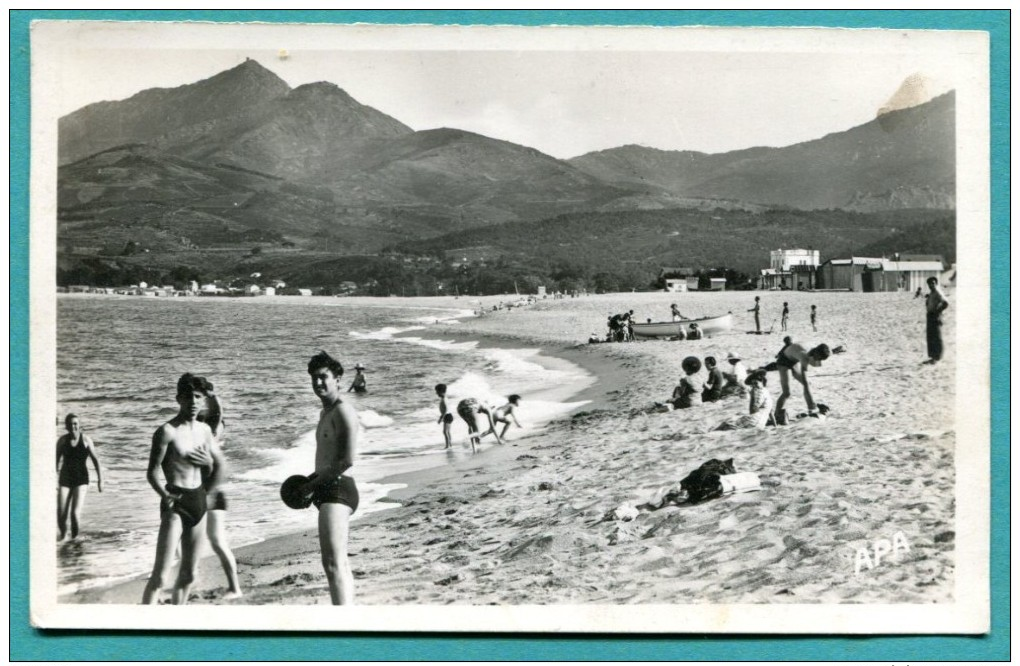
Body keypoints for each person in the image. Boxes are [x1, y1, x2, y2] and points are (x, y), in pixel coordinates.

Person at [142, 373, 223, 605]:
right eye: (188, 397)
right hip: (175, 504)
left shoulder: (205, 431)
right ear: (178, 399)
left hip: (198, 501)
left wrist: (208, 463)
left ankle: (178, 617)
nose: (194, 402)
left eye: (198, 397)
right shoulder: (167, 431)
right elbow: (152, 472)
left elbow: (210, 469)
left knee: (189, 575)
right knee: (160, 577)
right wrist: (164, 494)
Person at [299, 351, 360, 605]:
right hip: (327, 488)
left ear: (338, 379)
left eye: (323, 377)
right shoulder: (325, 413)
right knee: (338, 563)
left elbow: (346, 461)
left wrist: (313, 484)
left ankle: (342, 623)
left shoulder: (343, 411)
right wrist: (310, 485)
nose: (318, 383)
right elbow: (326, 458)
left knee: (333, 564)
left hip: (338, 489)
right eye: (314, 378)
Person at [192, 388, 242, 599]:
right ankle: (191, 579)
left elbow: (218, 412)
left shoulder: (211, 437)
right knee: (187, 540)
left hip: (214, 496)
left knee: (217, 542)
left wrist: (210, 394)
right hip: (198, 494)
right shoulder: (198, 438)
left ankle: (235, 588)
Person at [56, 413, 103, 541]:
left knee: (74, 514)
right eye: (70, 424)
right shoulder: (62, 441)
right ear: (66, 426)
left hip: (81, 479)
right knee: (61, 515)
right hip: (65, 479)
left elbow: (96, 460)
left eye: (75, 423)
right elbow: (54, 462)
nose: (73, 426)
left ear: (79, 425)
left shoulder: (86, 440)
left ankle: (75, 541)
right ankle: (64, 538)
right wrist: (53, 481)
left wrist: (100, 480)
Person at [773, 342, 831, 424]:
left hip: (794, 360)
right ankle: (777, 414)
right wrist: (811, 408)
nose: (820, 362)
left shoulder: (813, 351)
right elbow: (805, 382)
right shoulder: (804, 356)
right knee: (787, 393)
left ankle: (812, 404)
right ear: (816, 353)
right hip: (783, 361)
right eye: (819, 358)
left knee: (807, 384)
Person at [924, 277, 950, 364]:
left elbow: (946, 303)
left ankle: (938, 357)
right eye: (930, 283)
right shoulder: (932, 293)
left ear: (936, 283)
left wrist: (938, 312)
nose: (931, 285)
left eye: (933, 283)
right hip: (930, 316)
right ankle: (933, 357)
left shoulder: (938, 292)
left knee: (936, 337)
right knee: (931, 337)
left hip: (935, 316)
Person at [435, 383, 454, 449]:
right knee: (447, 431)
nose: (436, 393)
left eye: (437, 392)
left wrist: (441, 418)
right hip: (448, 415)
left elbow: (446, 410)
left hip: (447, 416)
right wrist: (441, 417)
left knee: (445, 431)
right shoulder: (444, 398)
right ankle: (450, 444)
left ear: (441, 391)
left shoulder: (444, 399)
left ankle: (447, 445)